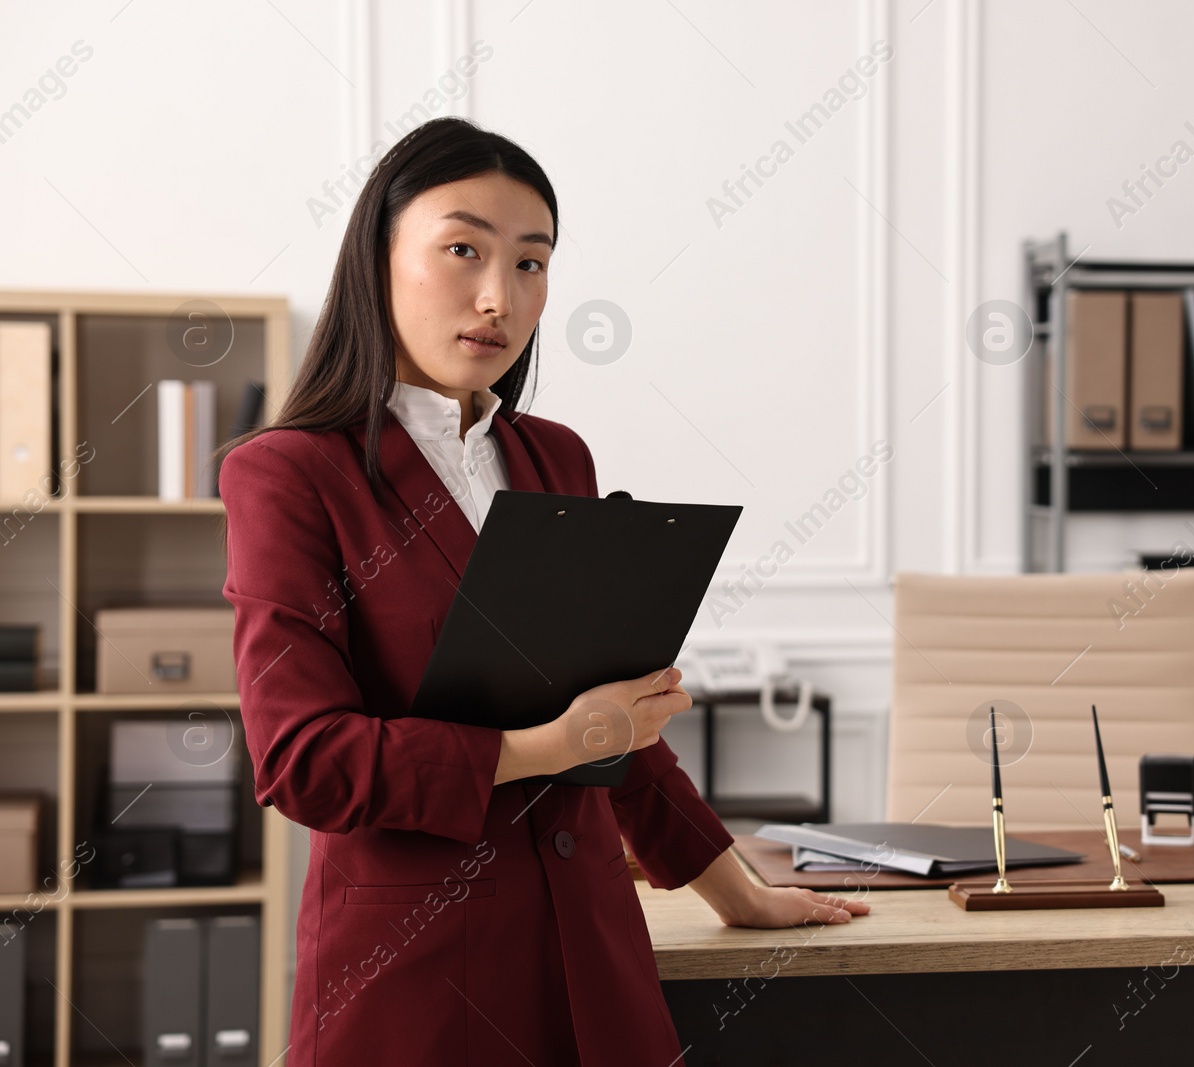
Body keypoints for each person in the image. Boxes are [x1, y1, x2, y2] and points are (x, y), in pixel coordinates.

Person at [217, 116, 867, 1065]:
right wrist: (551, 745)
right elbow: (305, 761)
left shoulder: (553, 455)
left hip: (593, 954)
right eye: (462, 249)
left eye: (531, 263)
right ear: (378, 258)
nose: (498, 296)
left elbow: (620, 728)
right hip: (417, 976)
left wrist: (738, 892)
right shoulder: (289, 475)